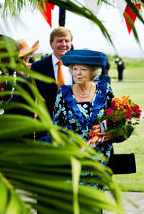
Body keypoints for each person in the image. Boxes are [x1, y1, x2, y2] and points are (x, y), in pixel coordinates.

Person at [52, 49, 115, 189]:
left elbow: (115, 121)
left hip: (98, 161)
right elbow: (56, 126)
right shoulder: (63, 92)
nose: (78, 73)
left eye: (83, 69)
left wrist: (113, 133)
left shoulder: (104, 91)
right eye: (74, 69)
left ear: (92, 72)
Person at [30, 27, 73, 132]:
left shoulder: (78, 66)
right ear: (51, 44)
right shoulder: (37, 67)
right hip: (46, 126)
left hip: (73, 127)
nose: (63, 44)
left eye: (67, 41)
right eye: (59, 41)